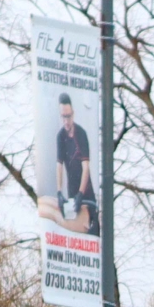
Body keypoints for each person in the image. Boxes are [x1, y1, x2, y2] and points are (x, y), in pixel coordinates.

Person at [53, 93, 95, 234]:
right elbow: (59, 165)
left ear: (73, 114)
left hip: (86, 191)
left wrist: (81, 193)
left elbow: (86, 167)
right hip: (72, 189)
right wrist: (59, 191)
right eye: (63, 117)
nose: (66, 121)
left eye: (68, 116)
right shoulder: (60, 136)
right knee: (74, 229)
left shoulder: (81, 134)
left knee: (90, 227)